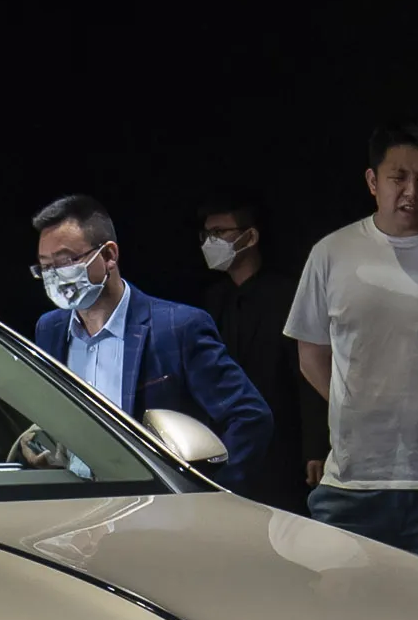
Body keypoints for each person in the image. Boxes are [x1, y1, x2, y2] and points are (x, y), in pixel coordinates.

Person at [286, 123, 418, 561]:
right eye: (398, 177)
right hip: (354, 483)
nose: (411, 191)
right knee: (344, 601)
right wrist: (357, 404)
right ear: (373, 181)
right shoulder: (332, 252)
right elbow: (311, 354)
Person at [28, 196, 274, 472]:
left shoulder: (178, 328)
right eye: (45, 267)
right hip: (74, 492)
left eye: (66, 261)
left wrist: (209, 488)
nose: (55, 276)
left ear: (109, 255)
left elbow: (250, 417)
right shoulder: (50, 329)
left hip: (152, 495)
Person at [194, 189, 321, 510]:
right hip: (225, 444)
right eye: (206, 235)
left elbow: (307, 374)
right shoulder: (211, 300)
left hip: (282, 443)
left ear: (250, 237)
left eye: (219, 233)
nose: (210, 242)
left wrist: (315, 447)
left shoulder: (288, 295)